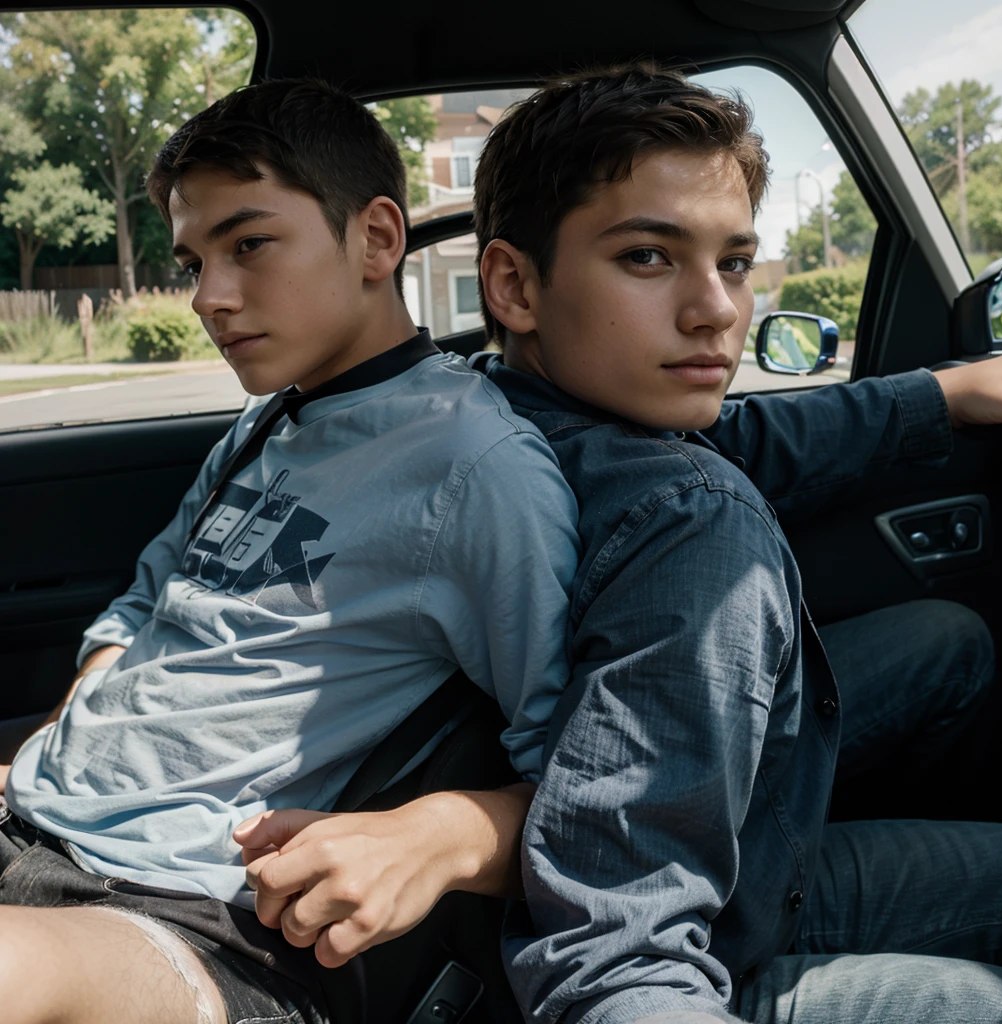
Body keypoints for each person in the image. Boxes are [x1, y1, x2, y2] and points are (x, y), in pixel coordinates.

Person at [0, 78, 579, 1024]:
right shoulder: (270, 423)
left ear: (378, 240)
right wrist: (82, 729)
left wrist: (445, 834)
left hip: (187, 910)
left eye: (250, 245)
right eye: (193, 262)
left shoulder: (475, 468)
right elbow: (153, 595)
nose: (208, 298)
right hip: (39, 811)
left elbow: (584, 781)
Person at [469, 64, 1002, 1023]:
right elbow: (614, 952)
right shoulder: (691, 519)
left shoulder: (498, 414)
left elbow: (744, 440)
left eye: (732, 262)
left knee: (949, 639)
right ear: (514, 283)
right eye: (648, 256)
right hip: (718, 931)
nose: (719, 310)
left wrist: (947, 393)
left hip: (713, 841)